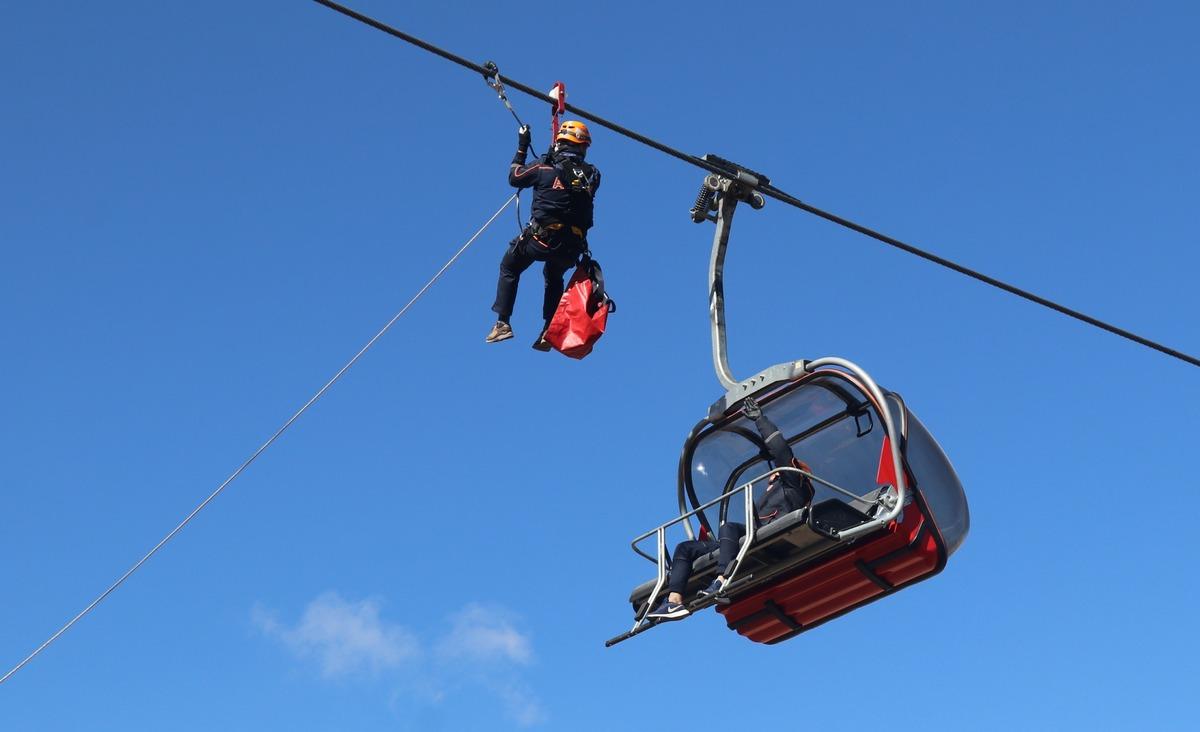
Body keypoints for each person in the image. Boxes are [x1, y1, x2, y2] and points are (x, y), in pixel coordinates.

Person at [646, 396, 815, 621]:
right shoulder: (769, 494)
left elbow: (781, 451)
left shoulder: (793, 486)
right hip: (748, 535)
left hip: (769, 531)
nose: (770, 476)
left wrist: (760, 420)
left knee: (729, 527)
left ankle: (722, 580)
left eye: (775, 473)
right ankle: (673, 601)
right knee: (685, 548)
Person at [485, 120, 601, 350]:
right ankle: (549, 328)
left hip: (542, 239)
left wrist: (522, 146)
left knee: (510, 266)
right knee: (554, 274)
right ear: (582, 145)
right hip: (572, 246)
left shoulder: (542, 168)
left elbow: (515, 177)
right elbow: (570, 181)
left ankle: (502, 323)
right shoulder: (594, 175)